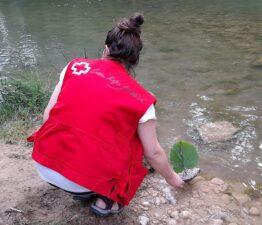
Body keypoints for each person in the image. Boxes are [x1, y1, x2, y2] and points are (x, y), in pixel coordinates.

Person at [27, 13, 184, 216]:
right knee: (136, 145)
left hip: (43, 162)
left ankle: (81, 188)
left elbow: (48, 116)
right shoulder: (142, 100)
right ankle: (107, 202)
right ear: (135, 61)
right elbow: (153, 154)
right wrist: (172, 178)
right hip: (79, 180)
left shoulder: (74, 67)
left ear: (106, 49)